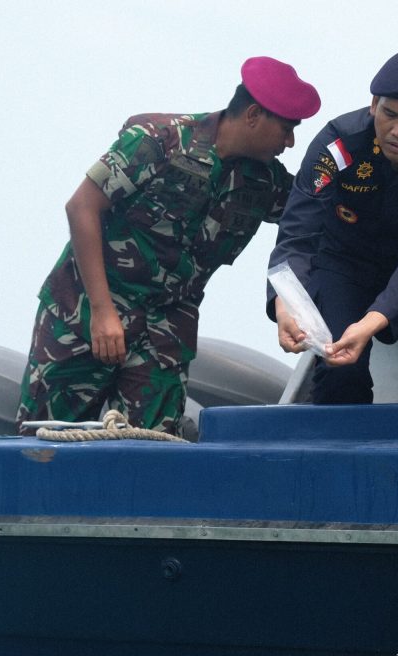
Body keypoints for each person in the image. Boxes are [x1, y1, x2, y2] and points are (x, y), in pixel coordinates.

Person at [16, 57, 321, 435]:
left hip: (165, 332)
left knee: (152, 449)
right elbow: (82, 207)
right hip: (84, 316)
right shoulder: (160, 140)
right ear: (255, 115)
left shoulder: (265, 182)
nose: (290, 142)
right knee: (46, 440)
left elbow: (318, 217)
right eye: (287, 129)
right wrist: (102, 311)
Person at [268, 47, 398, 404]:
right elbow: (298, 232)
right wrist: (285, 302)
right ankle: (342, 456)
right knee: (338, 369)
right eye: (389, 114)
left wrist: (370, 324)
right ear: (373, 104)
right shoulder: (337, 144)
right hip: (345, 265)